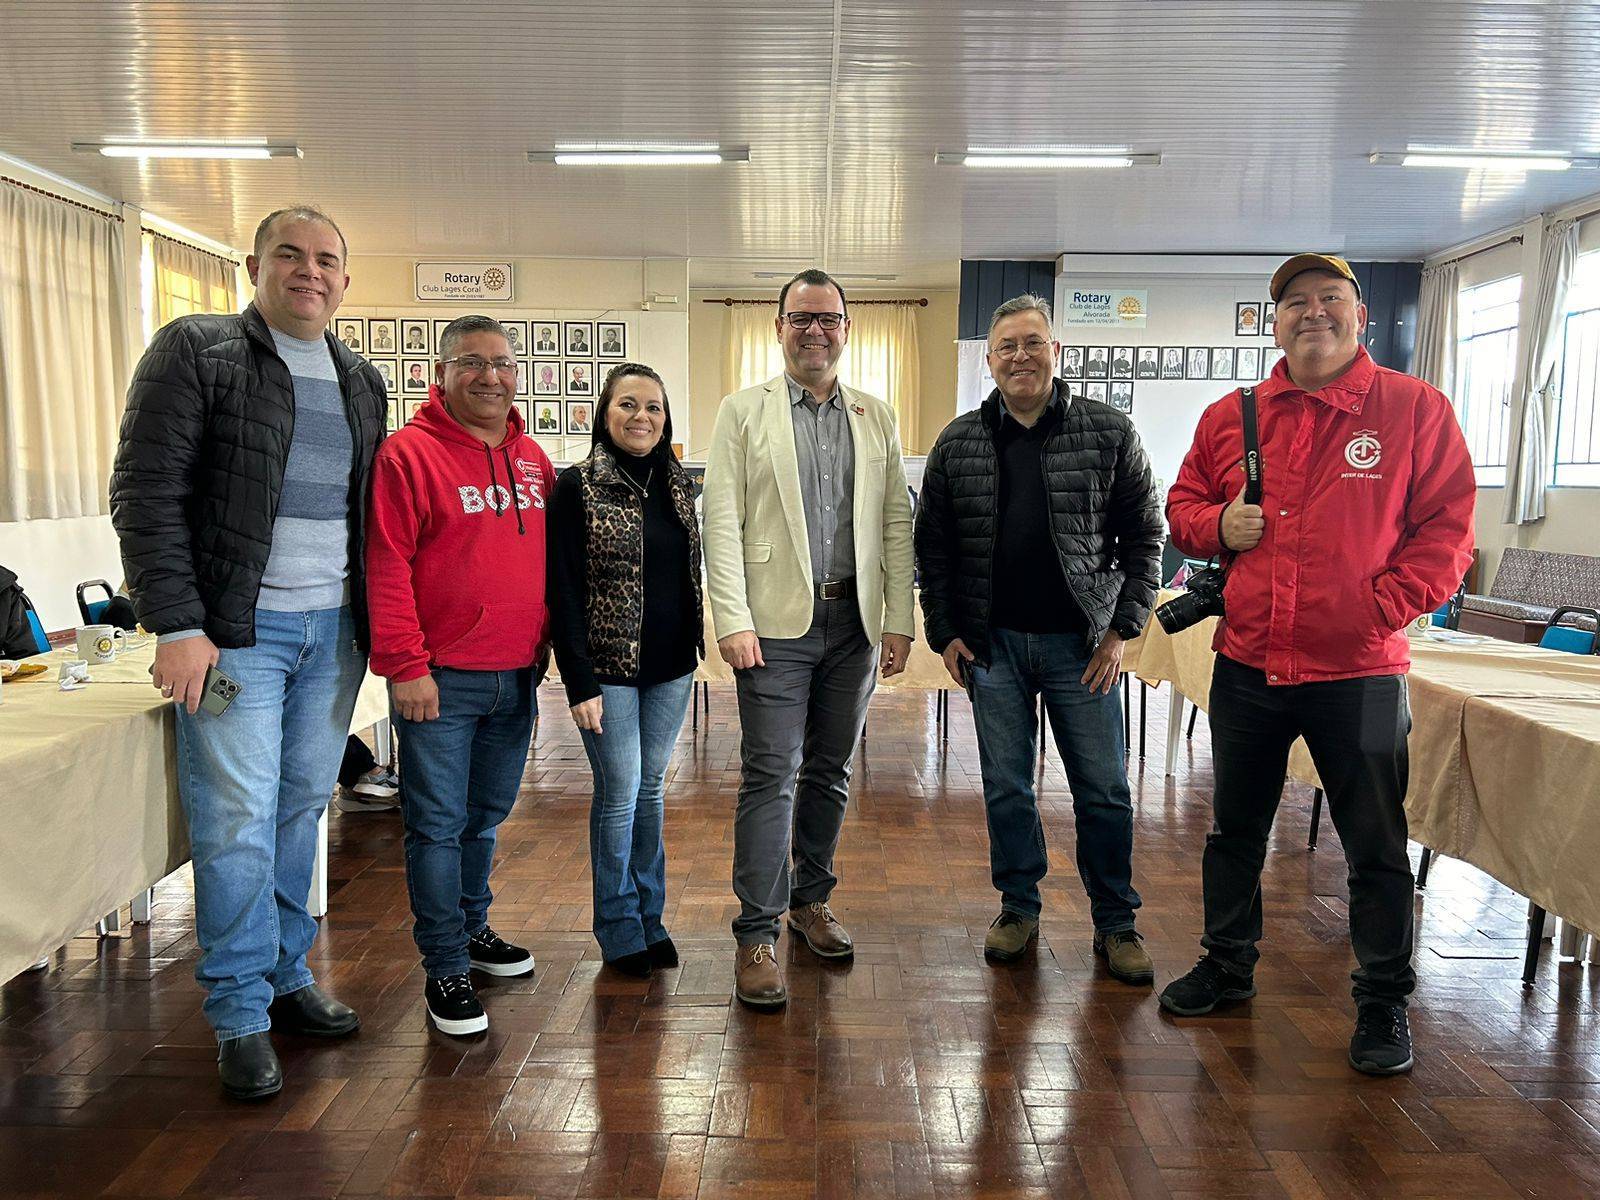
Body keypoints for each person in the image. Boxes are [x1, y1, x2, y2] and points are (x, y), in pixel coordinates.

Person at [1161, 253, 1476, 1076]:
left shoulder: (1415, 410)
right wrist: (1214, 527)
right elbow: (1184, 506)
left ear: (1359, 315)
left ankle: (1382, 1000)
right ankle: (1227, 965)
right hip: (1249, 664)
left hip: (1364, 673)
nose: (1313, 313)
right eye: (1295, 302)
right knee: (1234, 830)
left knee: (1374, 841)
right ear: (1276, 321)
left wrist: (1377, 610)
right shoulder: (1233, 415)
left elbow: (1448, 532)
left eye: (1329, 299)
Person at [110, 206, 386, 1101]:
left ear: (345, 280)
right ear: (255, 266)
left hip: (332, 634)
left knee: (301, 807)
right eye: (291, 256)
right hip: (238, 640)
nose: (310, 272)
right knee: (233, 819)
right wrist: (178, 625)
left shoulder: (358, 376)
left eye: (327, 261)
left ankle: (284, 972)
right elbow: (146, 492)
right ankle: (237, 1015)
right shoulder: (195, 350)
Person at [915, 294, 1164, 979]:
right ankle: (1018, 906)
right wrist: (944, 632)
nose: (1020, 356)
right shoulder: (958, 441)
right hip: (992, 647)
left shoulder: (1108, 431)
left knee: (1105, 789)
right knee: (1006, 787)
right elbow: (931, 550)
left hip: (1082, 650)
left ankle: (1116, 921)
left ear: (1057, 352)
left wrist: (1122, 631)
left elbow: (1147, 538)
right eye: (1007, 347)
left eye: (1033, 342)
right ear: (989, 362)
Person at [702, 268, 915, 1008]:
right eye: (801, 319)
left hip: (852, 626)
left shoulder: (875, 416)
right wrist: (730, 619)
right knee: (771, 774)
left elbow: (894, 523)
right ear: (779, 326)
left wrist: (897, 620)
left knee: (829, 771)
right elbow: (719, 522)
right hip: (773, 628)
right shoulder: (743, 411)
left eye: (828, 319)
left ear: (846, 329)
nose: (815, 331)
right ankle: (757, 931)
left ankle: (811, 901)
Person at [365, 316, 553, 1037]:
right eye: (472, 363)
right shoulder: (407, 457)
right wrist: (406, 667)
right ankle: (443, 963)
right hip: (438, 680)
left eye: (503, 363)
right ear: (439, 374)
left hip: (516, 676)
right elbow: (387, 567)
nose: (491, 377)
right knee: (436, 827)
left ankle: (474, 930)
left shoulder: (532, 458)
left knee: (484, 818)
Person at [549, 363, 702, 977]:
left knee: (650, 790)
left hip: (670, 668)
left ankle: (651, 917)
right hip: (606, 672)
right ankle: (617, 927)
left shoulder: (677, 481)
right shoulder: (576, 486)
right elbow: (559, 588)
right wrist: (578, 678)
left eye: (654, 408)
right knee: (619, 794)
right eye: (628, 406)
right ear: (602, 415)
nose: (642, 418)